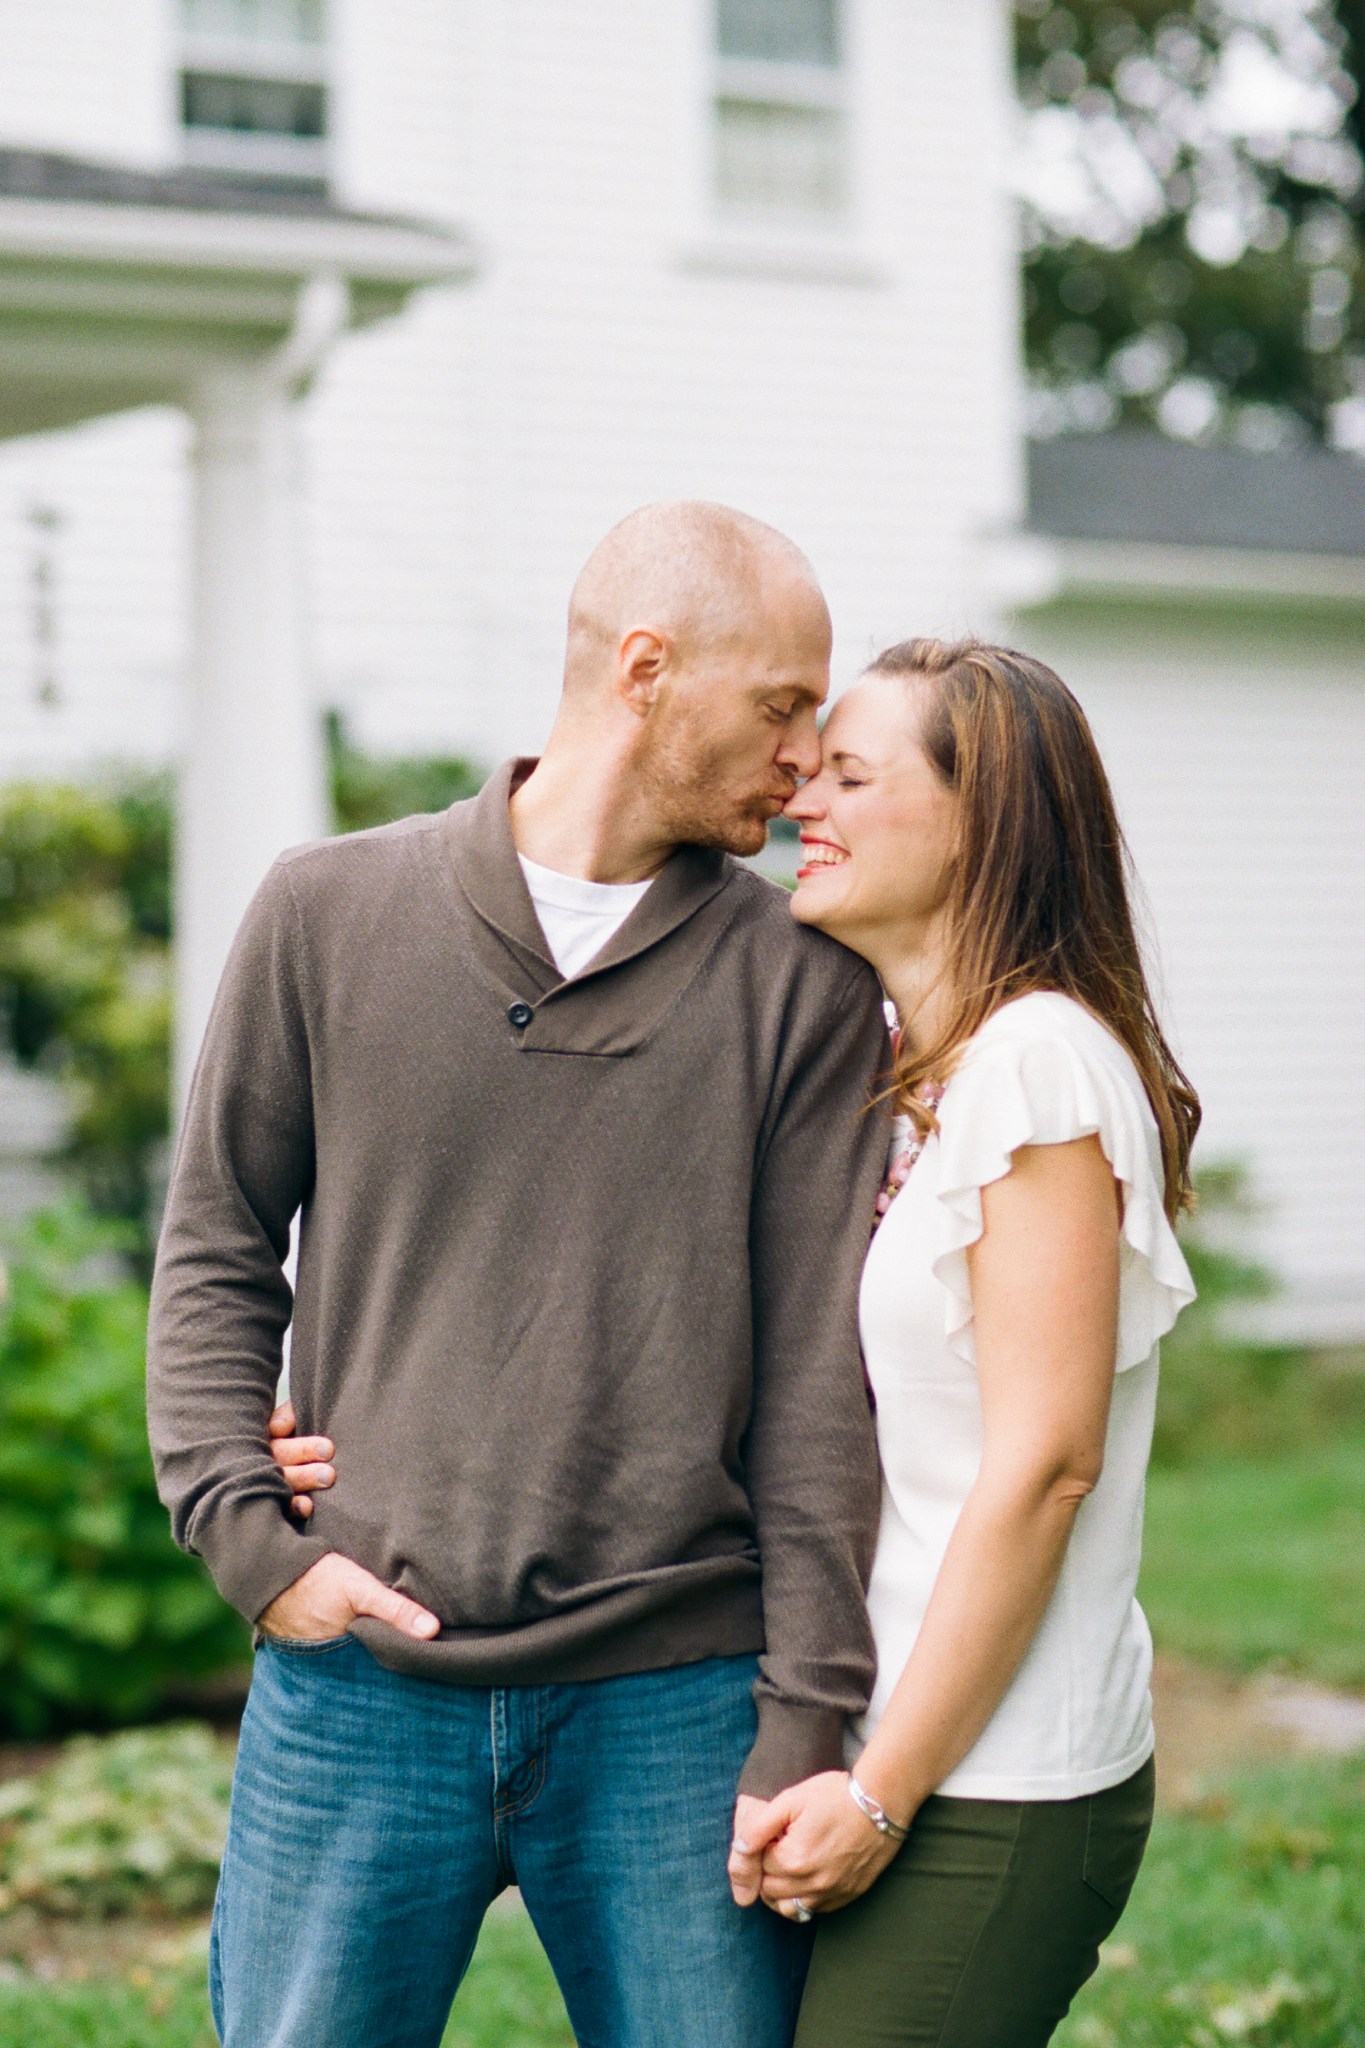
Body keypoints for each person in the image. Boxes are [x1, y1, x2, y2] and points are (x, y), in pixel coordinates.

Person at [145, 502, 894, 2048]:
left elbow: (822, 1381)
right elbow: (219, 1243)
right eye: (781, 706)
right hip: (361, 1684)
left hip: (676, 1702)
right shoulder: (326, 912)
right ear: (643, 668)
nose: (807, 758)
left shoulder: (802, 989)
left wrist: (806, 1718)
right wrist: (251, 1540)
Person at [723, 637, 1201, 2047]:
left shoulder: (1037, 1069)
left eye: (851, 777)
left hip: (996, 1780)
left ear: (979, 818)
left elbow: (1045, 1462)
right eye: (810, 772)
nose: (802, 802)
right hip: (918, 1748)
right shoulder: (921, 1074)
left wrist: (882, 1794)